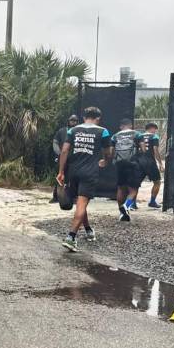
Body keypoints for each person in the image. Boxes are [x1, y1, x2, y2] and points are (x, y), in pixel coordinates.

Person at [56, 106, 113, 252]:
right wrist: (105, 162)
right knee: (82, 203)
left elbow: (64, 150)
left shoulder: (73, 130)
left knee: (80, 202)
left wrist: (61, 171)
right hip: (90, 172)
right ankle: (71, 237)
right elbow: (108, 153)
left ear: (83, 117)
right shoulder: (103, 131)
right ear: (98, 118)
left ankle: (88, 229)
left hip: (73, 172)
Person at [111, 118, 144, 222]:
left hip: (119, 164)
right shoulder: (137, 134)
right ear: (131, 125)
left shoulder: (115, 136)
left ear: (121, 126)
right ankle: (126, 205)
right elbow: (143, 149)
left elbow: (111, 151)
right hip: (133, 164)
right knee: (133, 189)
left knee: (121, 188)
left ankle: (122, 214)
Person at [50, 114, 78, 203]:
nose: (73, 122)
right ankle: (56, 197)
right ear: (68, 121)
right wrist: (59, 153)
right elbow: (55, 142)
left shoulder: (79, 132)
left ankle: (73, 197)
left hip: (74, 159)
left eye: (75, 121)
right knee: (59, 177)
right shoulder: (62, 131)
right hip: (62, 158)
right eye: (72, 120)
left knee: (73, 178)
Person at [137, 122, 163, 208]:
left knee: (135, 183)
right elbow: (155, 150)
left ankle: (132, 204)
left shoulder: (139, 136)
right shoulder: (154, 136)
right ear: (152, 128)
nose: (155, 131)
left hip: (139, 162)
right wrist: (160, 163)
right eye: (155, 129)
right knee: (157, 182)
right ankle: (152, 202)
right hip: (150, 162)